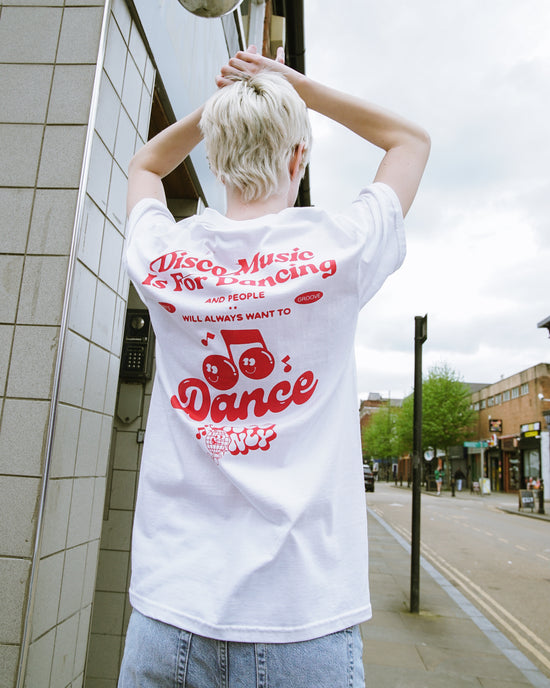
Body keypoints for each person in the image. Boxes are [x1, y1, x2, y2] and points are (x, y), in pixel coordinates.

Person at [119, 45, 430, 688]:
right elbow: (409, 140)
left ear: (215, 156)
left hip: (170, 609)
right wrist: (292, 88)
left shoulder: (165, 260)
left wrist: (227, 109)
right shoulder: (339, 250)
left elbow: (146, 163)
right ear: (298, 157)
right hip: (304, 617)